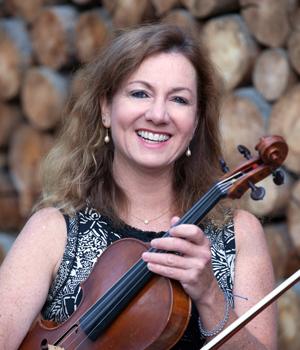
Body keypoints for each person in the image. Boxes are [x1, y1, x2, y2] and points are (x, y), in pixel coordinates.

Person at [0, 23, 276, 349]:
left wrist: (210, 294)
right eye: (139, 93)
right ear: (106, 109)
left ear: (197, 120)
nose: (158, 114)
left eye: (179, 99)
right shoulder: (54, 230)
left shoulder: (240, 235)